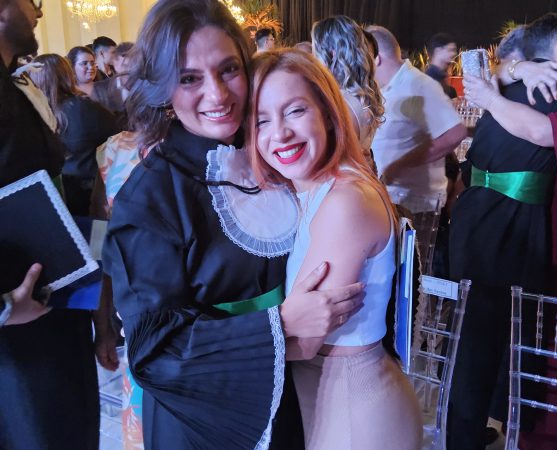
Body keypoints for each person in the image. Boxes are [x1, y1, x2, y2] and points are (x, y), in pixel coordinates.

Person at [102, 1, 364, 448]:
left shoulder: (277, 152)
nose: (218, 94)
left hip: (299, 397)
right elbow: (153, 351)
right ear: (163, 87)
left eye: (228, 70)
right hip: (205, 419)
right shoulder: (150, 198)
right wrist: (278, 324)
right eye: (189, 78)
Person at [247, 47, 422, 450]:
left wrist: (198, 353)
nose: (279, 133)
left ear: (327, 112)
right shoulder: (307, 190)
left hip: (354, 409)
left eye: (294, 111)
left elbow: (305, 338)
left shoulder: (345, 200)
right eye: (261, 120)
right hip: (327, 398)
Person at [447, 13, 557, 449]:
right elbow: (493, 77)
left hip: (501, 222)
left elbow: (537, 129)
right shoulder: (547, 78)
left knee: (492, 336)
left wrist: (500, 86)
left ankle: (481, 428)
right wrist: (520, 67)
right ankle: (474, 431)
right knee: (487, 337)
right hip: (494, 222)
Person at [0, 1, 115, 449]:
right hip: (18, 341)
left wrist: (98, 309)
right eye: (33, 2)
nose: (39, 13)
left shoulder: (16, 85)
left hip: (56, 309)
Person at [366, 25, 466, 269]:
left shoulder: (418, 85)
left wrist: (401, 165)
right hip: (392, 199)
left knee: (414, 277)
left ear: (376, 58)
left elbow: (455, 133)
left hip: (416, 204)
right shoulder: (385, 87)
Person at [29, 53, 118, 216]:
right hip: (87, 193)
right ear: (67, 74)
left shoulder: (29, 114)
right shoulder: (85, 109)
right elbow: (118, 136)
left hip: (46, 196)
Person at [312, 16, 384, 160]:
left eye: (314, 51)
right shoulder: (361, 94)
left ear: (331, 53)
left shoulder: (340, 103)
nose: (312, 58)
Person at [425, 32, 458, 98]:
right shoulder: (429, 79)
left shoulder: (440, 76)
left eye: (454, 50)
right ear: (438, 51)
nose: (454, 54)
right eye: (450, 50)